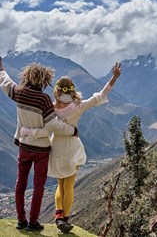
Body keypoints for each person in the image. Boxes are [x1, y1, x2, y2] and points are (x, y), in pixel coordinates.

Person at [21, 62, 122, 233]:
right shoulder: (78, 106)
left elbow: (43, 129)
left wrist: (28, 131)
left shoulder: (50, 108)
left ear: (57, 91)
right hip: (72, 148)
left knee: (60, 185)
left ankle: (59, 215)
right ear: (72, 90)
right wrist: (114, 77)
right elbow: (100, 96)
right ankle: (64, 219)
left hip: (55, 149)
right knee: (69, 186)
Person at [0, 56, 77, 232]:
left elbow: (6, 82)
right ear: (44, 80)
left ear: (27, 77)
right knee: (38, 186)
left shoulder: (18, 93)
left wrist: (1, 69)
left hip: (24, 147)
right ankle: (33, 223)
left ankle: (21, 220)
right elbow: (54, 126)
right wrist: (71, 130)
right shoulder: (43, 100)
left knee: (20, 183)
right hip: (41, 150)